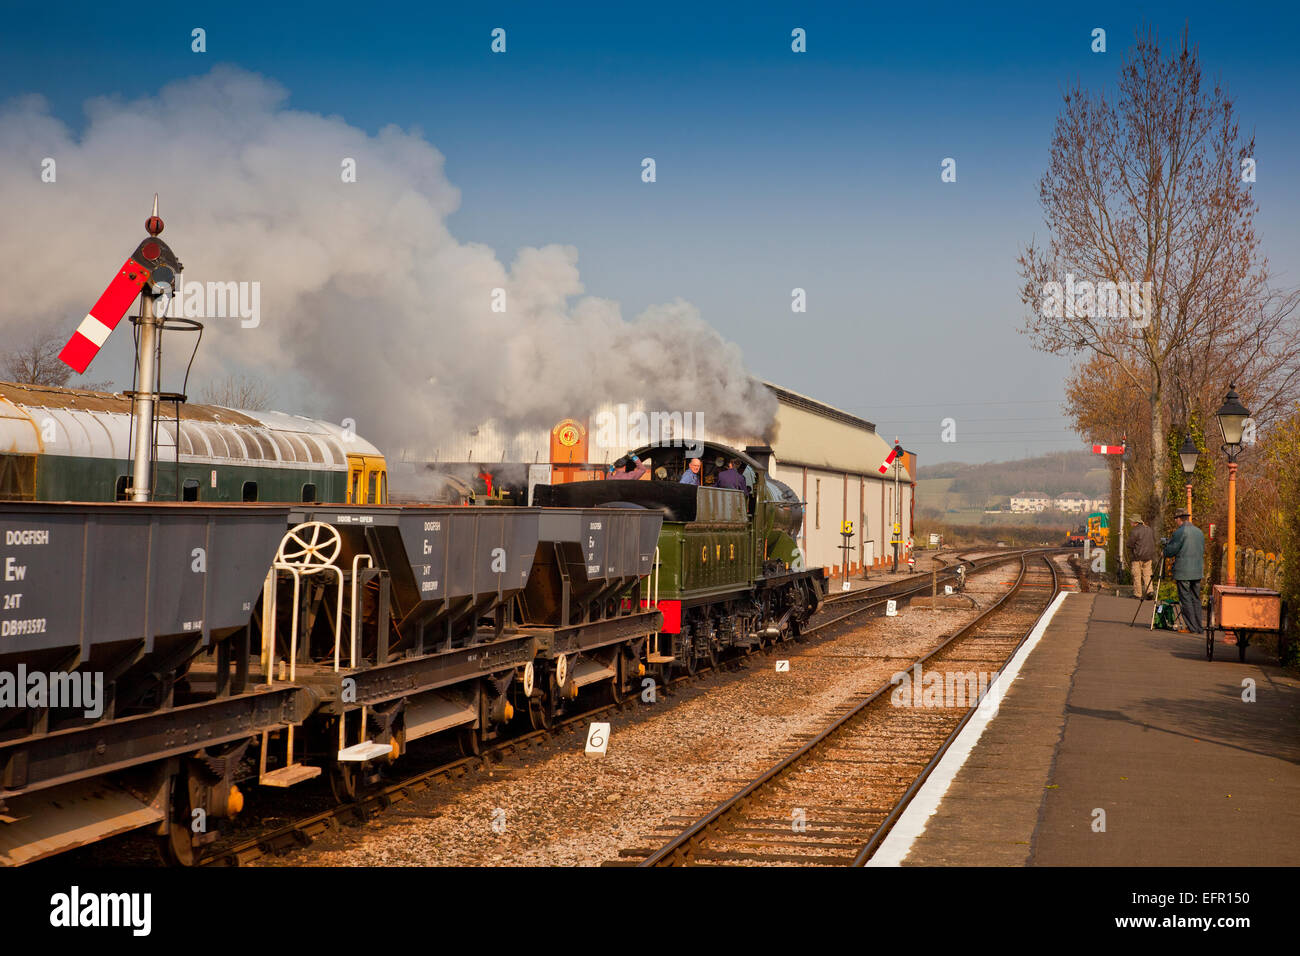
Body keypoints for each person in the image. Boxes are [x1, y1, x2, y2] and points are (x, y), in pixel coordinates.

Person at [1164, 509, 1205, 634]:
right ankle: (1199, 626)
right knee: (1196, 599)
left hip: (1183, 571)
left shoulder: (1180, 532)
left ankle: (1191, 627)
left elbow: (1171, 550)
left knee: (1185, 599)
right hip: (1197, 570)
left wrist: (1164, 550)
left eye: (1176, 519)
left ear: (1178, 519)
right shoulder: (1199, 532)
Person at [1127, 516, 1156, 600]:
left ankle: (1137, 594)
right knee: (1147, 574)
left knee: (1136, 575)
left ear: (1135, 522)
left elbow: (1129, 544)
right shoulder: (1149, 529)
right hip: (1148, 556)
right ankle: (1149, 591)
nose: (1130, 523)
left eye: (1131, 522)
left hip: (1137, 557)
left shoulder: (1134, 531)